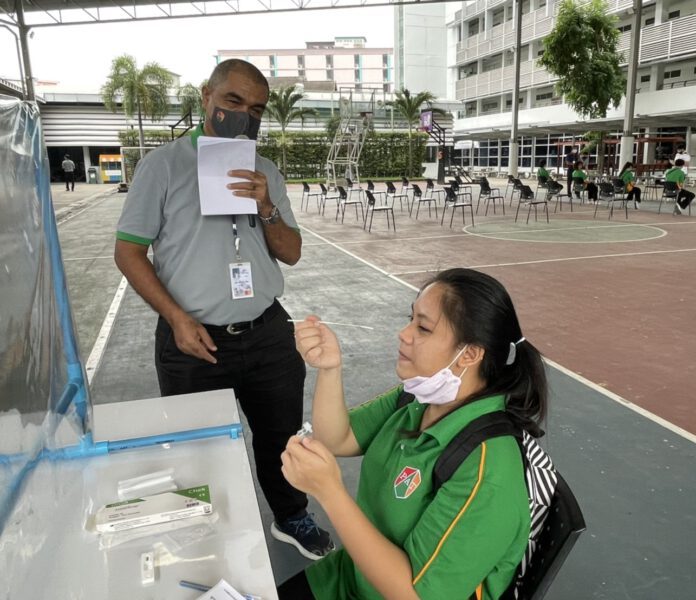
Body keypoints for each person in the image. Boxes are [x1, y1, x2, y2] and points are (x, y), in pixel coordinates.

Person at [113, 59, 333, 560]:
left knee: (280, 436)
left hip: (267, 333)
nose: (243, 116)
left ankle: (290, 515)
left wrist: (266, 205)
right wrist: (176, 318)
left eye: (255, 109)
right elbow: (128, 251)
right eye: (233, 101)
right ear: (205, 96)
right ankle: (203, 530)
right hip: (193, 340)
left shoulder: (267, 171)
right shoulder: (162, 167)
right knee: (198, 446)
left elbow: (291, 252)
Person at [280, 268, 554, 600]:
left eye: (423, 327)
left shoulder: (487, 471)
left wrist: (329, 491)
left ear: (469, 353)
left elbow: (416, 595)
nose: (404, 333)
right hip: (349, 579)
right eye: (410, 319)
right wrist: (329, 367)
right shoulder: (416, 399)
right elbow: (339, 437)